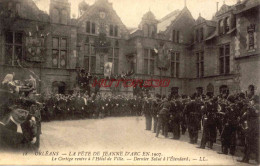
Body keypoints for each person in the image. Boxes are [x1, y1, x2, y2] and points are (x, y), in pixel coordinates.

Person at [238, 95, 259, 164]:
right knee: (249, 143)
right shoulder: (251, 107)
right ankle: (246, 158)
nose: (250, 101)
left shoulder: (257, 107)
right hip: (250, 128)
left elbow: (255, 113)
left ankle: (249, 158)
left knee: (252, 144)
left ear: (254, 101)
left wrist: (249, 107)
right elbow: (245, 115)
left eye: (251, 100)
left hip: (254, 128)